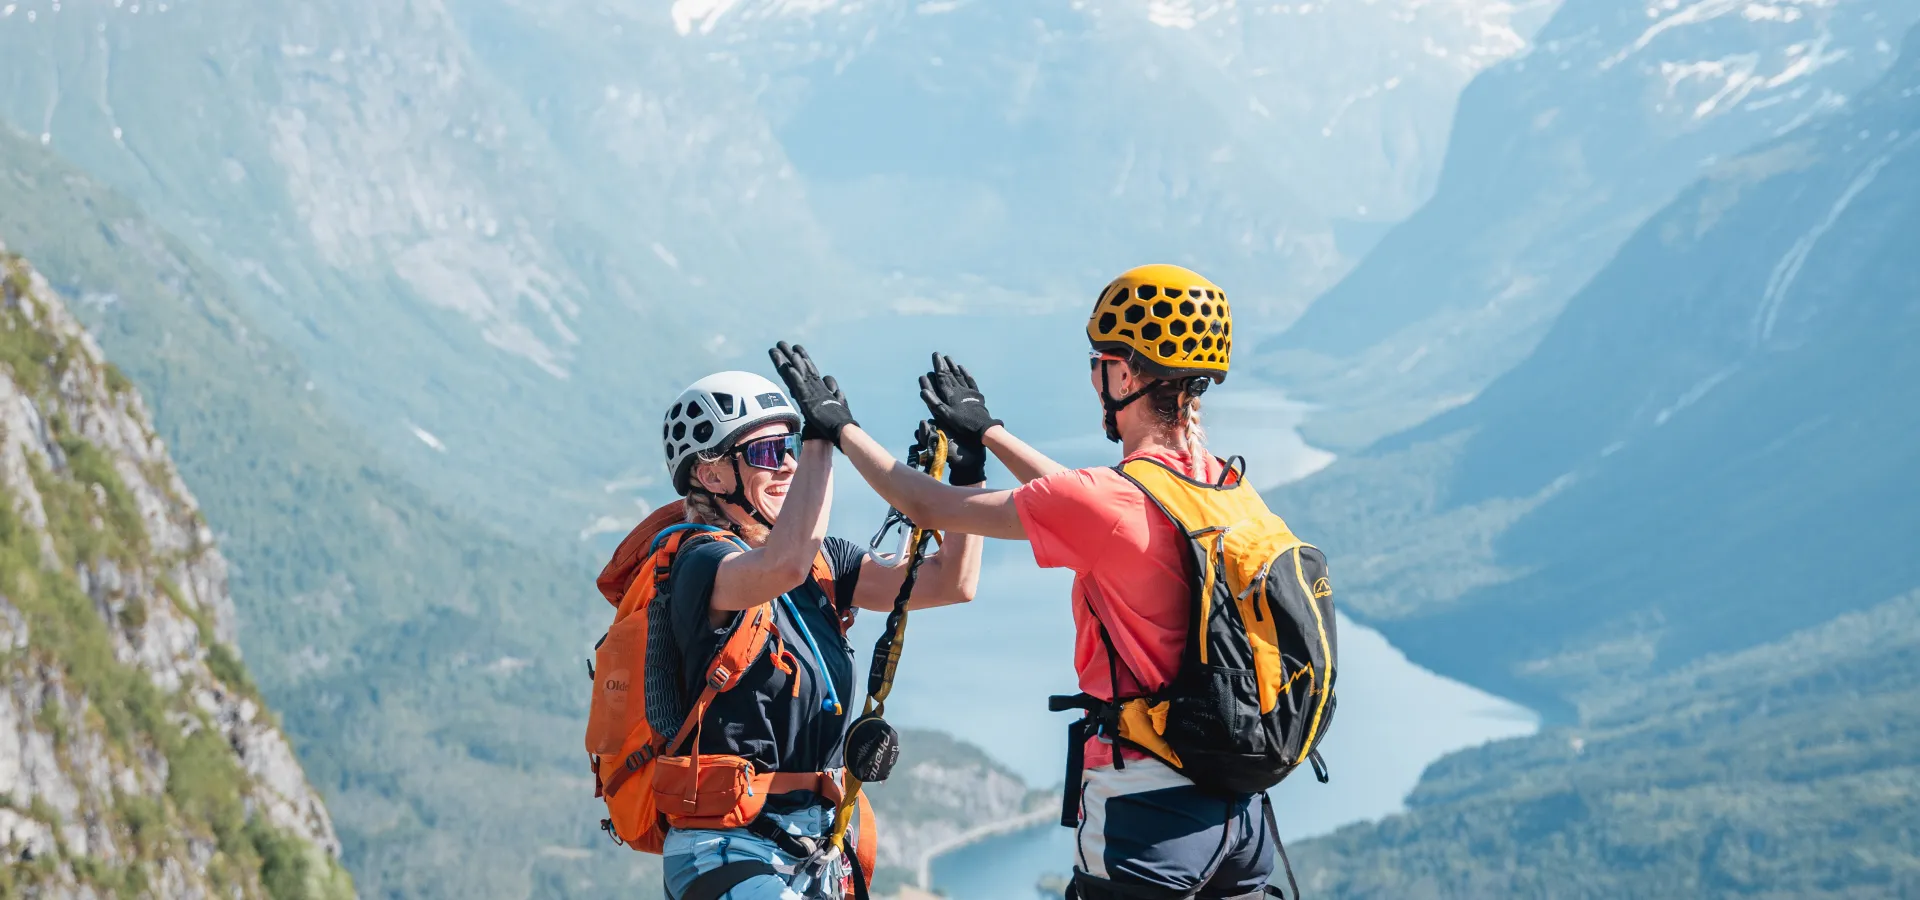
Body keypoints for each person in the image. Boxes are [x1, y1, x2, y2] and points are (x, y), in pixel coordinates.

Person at [768, 265, 1284, 900]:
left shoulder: (1111, 503)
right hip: (1244, 812)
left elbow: (928, 506)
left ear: (1124, 373)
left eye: (1101, 362)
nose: (1095, 378)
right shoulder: (1226, 488)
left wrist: (836, 425)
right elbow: (1085, 501)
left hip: (1149, 808)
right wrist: (986, 432)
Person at [648, 371, 984, 900]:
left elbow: (952, 582)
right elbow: (783, 564)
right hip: (725, 848)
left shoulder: (825, 565)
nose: (786, 463)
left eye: (789, 446)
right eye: (766, 452)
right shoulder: (701, 561)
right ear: (712, 476)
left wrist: (968, 470)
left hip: (815, 845)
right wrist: (822, 438)